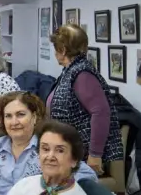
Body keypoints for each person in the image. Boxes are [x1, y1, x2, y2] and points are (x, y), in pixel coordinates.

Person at [47, 24, 124, 175]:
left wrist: (95, 155)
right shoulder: (71, 70)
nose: (55, 52)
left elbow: (101, 112)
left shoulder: (82, 74)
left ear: (62, 50)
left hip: (80, 155)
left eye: (56, 48)